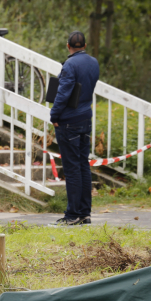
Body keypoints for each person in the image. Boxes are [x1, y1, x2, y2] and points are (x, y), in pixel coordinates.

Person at [50, 31, 100, 226]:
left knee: (71, 169)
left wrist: (54, 115)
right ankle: (85, 213)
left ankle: (72, 215)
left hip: (68, 121)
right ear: (85, 45)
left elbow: (63, 93)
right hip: (85, 117)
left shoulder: (69, 64)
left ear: (67, 45)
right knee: (82, 166)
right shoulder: (93, 62)